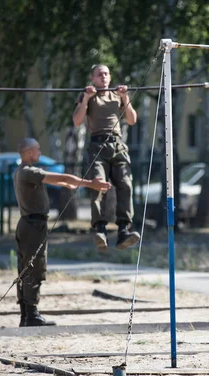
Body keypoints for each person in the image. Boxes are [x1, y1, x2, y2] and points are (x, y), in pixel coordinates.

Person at [13, 138, 111, 327]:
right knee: (34, 268)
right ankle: (31, 314)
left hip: (28, 224)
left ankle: (26, 315)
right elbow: (63, 178)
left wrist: (73, 183)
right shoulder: (28, 172)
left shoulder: (20, 172)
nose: (39, 153)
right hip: (33, 226)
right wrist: (91, 183)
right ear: (27, 152)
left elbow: (65, 183)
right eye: (37, 150)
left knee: (26, 268)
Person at [73, 64, 139, 251]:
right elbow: (77, 121)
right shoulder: (87, 95)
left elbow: (132, 120)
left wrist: (125, 97)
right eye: (99, 74)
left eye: (106, 74)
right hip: (97, 146)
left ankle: (124, 230)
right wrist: (86, 98)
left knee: (126, 184)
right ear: (92, 78)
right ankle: (100, 229)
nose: (104, 77)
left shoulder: (117, 95)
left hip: (118, 145)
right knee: (97, 184)